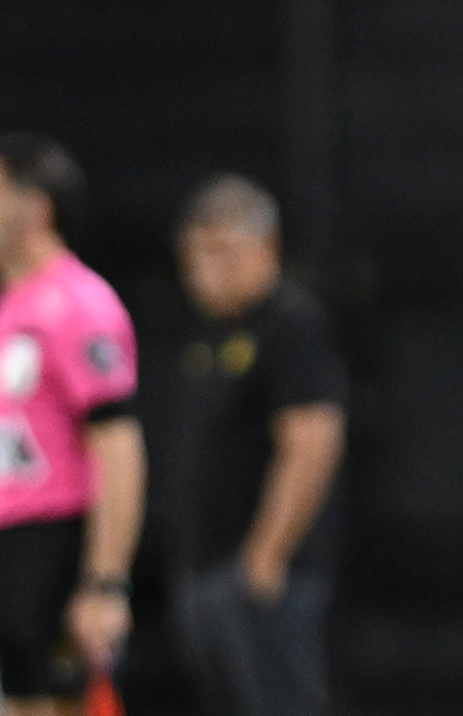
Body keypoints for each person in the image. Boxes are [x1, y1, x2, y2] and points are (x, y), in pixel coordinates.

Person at [0, 133, 145, 716]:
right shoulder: (9, 307)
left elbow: (118, 444)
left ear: (35, 208)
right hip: (13, 544)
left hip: (60, 541)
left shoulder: (78, 305)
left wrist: (104, 582)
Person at [151, 174, 348, 716]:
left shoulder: (292, 324)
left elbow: (312, 442)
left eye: (223, 251)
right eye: (195, 254)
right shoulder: (208, 333)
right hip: (204, 570)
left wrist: (267, 555)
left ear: (268, 247)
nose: (206, 269)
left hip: (260, 576)